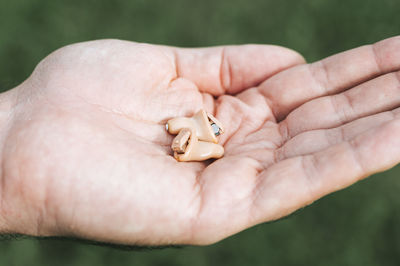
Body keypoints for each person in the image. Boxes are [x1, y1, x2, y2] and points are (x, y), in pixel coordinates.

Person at [0, 36, 399, 246]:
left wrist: (12, 140)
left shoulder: (199, 133)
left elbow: (200, 136)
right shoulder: (193, 131)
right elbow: (192, 134)